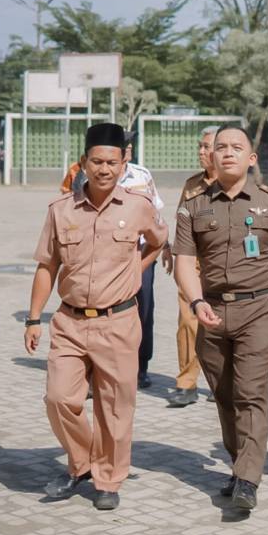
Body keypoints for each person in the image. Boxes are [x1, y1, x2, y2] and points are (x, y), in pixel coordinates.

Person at [24, 123, 167, 511]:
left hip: (119, 322)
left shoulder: (139, 206)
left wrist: (137, 270)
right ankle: (83, 461)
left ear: (125, 164)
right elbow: (46, 266)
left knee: (115, 408)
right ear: (83, 163)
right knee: (58, 398)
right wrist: (33, 318)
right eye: (96, 161)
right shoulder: (60, 210)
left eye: (112, 162)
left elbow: (158, 240)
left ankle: (108, 479)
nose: (104, 169)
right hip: (69, 322)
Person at [173, 125, 268, 511]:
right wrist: (196, 303)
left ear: (251, 158)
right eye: (220, 147)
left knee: (250, 395)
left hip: (258, 310)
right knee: (225, 397)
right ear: (211, 156)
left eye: (236, 147)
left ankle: (248, 479)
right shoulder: (192, 205)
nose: (226, 153)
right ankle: (238, 464)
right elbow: (183, 261)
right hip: (210, 310)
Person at [167, 126, 218, 408]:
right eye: (200, 146)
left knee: (221, 325)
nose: (201, 151)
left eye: (206, 147)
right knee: (188, 321)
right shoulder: (192, 185)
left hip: (225, 265)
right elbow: (181, 222)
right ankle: (186, 383)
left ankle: (218, 380)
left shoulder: (235, 184)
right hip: (193, 264)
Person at [119, 132, 167, 389]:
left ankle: (141, 367)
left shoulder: (142, 175)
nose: (126, 152)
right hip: (107, 257)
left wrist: (163, 244)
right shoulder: (95, 174)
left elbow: (156, 212)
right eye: (121, 147)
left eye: (128, 148)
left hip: (141, 254)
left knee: (144, 310)